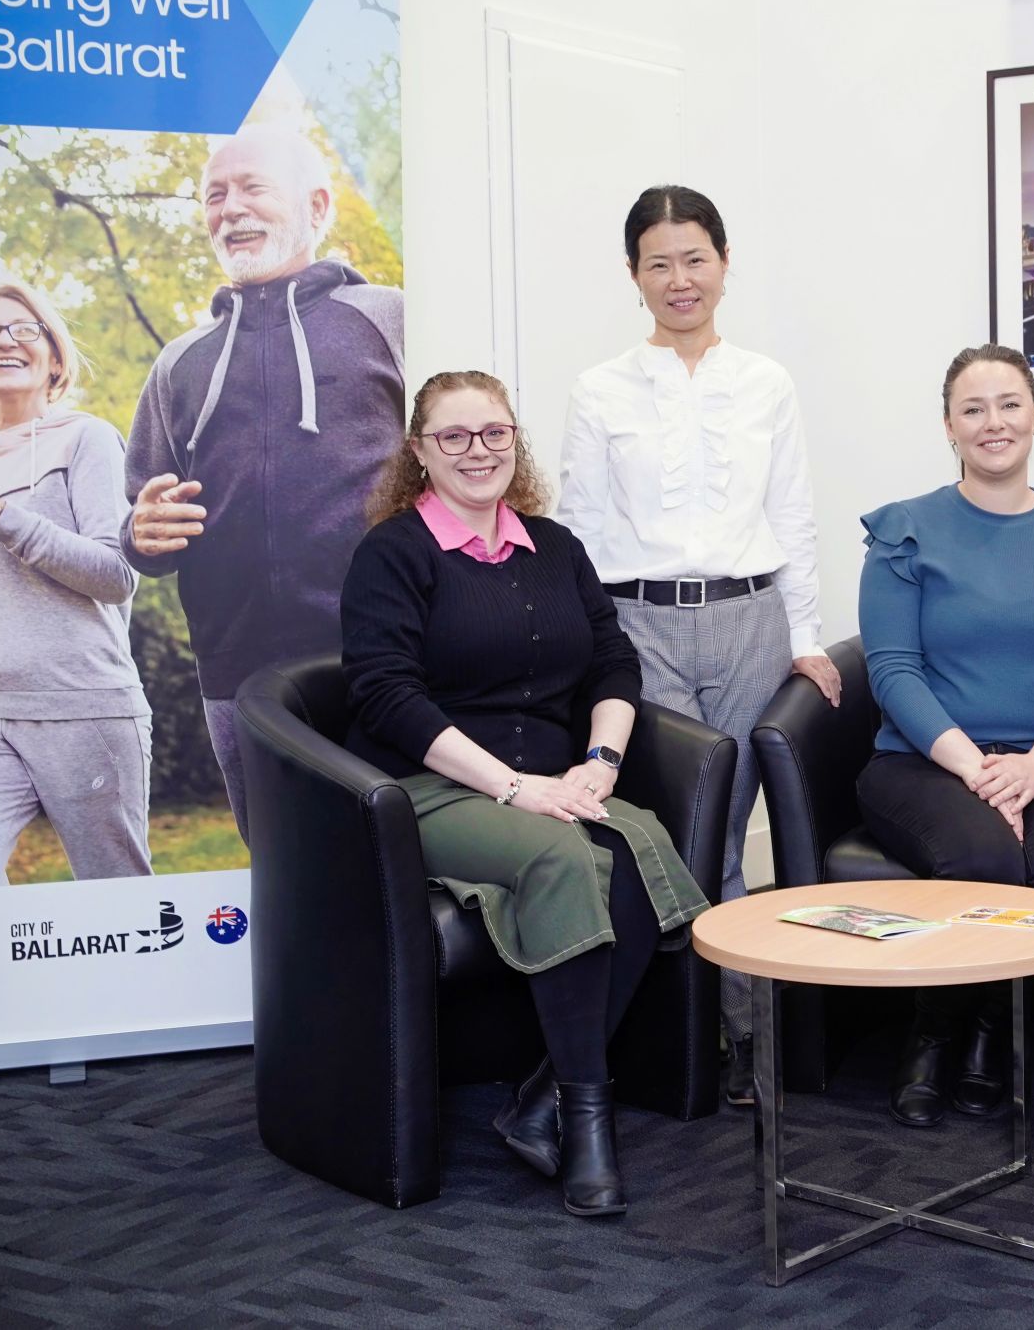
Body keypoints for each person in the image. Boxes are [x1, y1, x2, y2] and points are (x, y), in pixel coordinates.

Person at [342, 370, 708, 1218]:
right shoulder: (392, 554)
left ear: (516, 439)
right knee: (559, 852)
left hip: (552, 779)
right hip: (430, 790)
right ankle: (587, 1122)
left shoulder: (558, 547)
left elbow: (614, 663)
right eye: (455, 436)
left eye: (494, 432)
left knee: (637, 848)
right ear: (419, 452)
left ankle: (543, 1097)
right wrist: (513, 787)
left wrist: (599, 765)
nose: (479, 451)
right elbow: (386, 696)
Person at [556, 185, 835, 1105]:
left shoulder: (766, 381)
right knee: (687, 836)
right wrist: (591, 654)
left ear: (724, 263)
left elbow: (791, 515)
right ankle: (727, 1037)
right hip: (641, 626)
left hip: (750, 622)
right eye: (658, 262)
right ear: (633, 276)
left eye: (695, 258)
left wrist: (804, 637)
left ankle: (730, 1038)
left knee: (728, 830)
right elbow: (585, 530)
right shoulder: (600, 389)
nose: (679, 279)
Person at [856, 343, 1034, 1128]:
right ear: (948, 426)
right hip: (925, 760)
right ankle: (937, 1033)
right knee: (982, 857)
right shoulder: (904, 531)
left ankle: (988, 1027)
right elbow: (895, 672)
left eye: (1010, 404)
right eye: (973, 408)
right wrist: (978, 771)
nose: (993, 422)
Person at [123, 124, 404, 838]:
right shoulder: (178, 362)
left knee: (405, 863)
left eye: (252, 187)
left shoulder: (394, 320)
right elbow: (143, 522)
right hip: (236, 674)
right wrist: (140, 535)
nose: (230, 208)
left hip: (384, 659)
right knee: (284, 880)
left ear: (316, 205)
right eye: (215, 195)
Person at [0, 283, 152, 886]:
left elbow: (116, 575)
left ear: (54, 358)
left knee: (117, 896)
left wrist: (0, 517)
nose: (4, 340)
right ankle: (6, 983)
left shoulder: (87, 440)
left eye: (23, 328)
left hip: (83, 707)